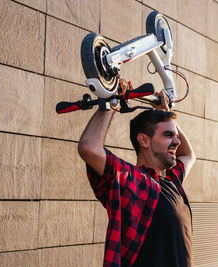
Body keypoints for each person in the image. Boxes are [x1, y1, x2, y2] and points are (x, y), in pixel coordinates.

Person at [78, 90, 196, 267]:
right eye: (168, 135)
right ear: (144, 140)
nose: (177, 142)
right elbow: (89, 148)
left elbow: (188, 155)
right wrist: (112, 101)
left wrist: (164, 113)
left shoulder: (172, 182)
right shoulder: (133, 181)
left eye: (176, 136)